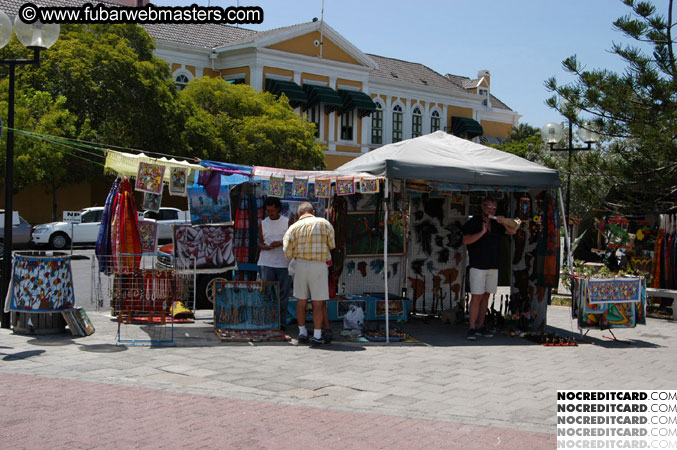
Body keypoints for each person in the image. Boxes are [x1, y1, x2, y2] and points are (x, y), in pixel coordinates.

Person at [462, 196, 516, 341]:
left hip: (493, 265)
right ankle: (471, 327)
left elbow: (512, 232)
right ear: (482, 206)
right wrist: (481, 233)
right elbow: (466, 240)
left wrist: (503, 222)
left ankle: (481, 325)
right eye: (488, 207)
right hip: (478, 265)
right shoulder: (473, 222)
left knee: (486, 296)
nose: (491, 210)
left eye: (493, 208)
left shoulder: (496, 223)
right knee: (476, 296)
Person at [283, 202, 335, 346]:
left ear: (299, 214)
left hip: (300, 265)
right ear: (312, 212)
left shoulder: (293, 227)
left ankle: (302, 333)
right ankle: (317, 335)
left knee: (301, 301)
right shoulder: (324, 223)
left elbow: (287, 251)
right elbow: (332, 245)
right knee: (318, 303)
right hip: (319, 266)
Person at [257, 197, 292, 331]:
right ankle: (268, 321)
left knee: (283, 295)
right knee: (268, 293)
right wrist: (263, 246)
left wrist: (280, 243)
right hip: (267, 262)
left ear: (278, 209)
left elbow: (291, 241)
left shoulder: (287, 222)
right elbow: (259, 242)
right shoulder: (263, 223)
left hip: (283, 263)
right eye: (268, 210)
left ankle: (281, 322)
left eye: (272, 210)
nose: (270, 213)